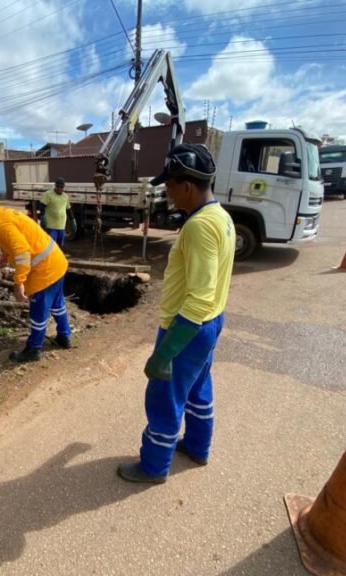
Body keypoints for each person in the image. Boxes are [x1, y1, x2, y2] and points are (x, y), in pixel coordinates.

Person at [117, 143, 235, 484]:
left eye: (169, 186)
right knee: (198, 388)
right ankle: (198, 446)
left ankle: (153, 466)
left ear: (186, 186)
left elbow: (198, 298)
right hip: (211, 323)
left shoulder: (199, 227)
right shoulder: (221, 217)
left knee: (164, 399)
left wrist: (165, 351)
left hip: (187, 328)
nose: (167, 193)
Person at [0, 203, 72, 362]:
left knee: (38, 312)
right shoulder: (5, 213)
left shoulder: (3, 226)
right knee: (57, 304)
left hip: (44, 271)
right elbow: (18, 241)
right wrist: (6, 256)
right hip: (56, 263)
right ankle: (65, 337)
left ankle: (33, 349)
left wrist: (18, 283)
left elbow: (22, 252)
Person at [36, 176, 76, 248]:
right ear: (55, 186)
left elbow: (69, 210)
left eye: (61, 187)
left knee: (59, 246)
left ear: (64, 187)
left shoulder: (65, 197)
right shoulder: (48, 194)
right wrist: (42, 217)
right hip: (51, 227)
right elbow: (42, 207)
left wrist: (73, 220)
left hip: (61, 227)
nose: (60, 188)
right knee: (51, 246)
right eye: (58, 186)